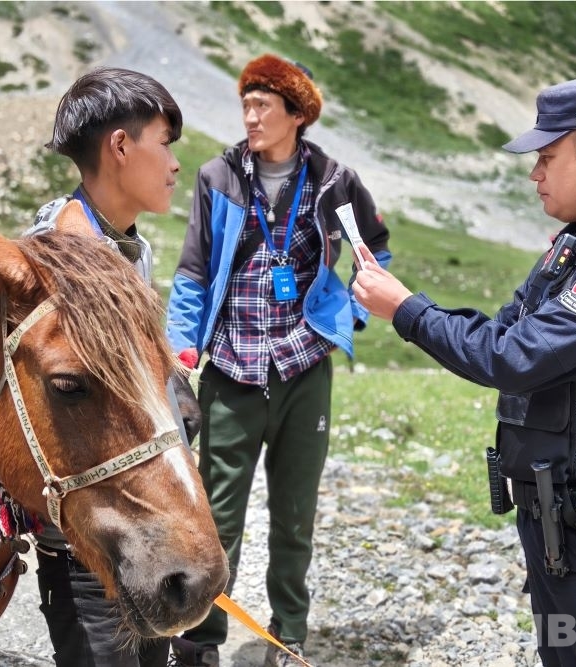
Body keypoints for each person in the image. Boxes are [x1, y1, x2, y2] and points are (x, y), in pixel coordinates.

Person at [352, 73, 576, 667]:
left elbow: (512, 358)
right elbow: (505, 332)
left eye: (548, 157)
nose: (535, 173)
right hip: (563, 522)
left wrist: (407, 310)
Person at [165, 54, 392, 667]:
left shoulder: (336, 181)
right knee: (217, 520)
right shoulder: (217, 177)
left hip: (304, 372)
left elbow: (376, 250)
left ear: (297, 113)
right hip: (230, 372)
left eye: (263, 105)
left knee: (295, 519)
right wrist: (180, 349)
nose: (250, 116)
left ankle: (288, 636)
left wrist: (354, 314)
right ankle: (202, 640)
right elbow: (192, 271)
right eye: (246, 104)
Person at [23, 66, 186, 667]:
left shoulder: (128, 246)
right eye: (164, 143)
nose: (175, 164)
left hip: (142, 522)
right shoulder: (60, 258)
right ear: (120, 146)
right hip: (90, 541)